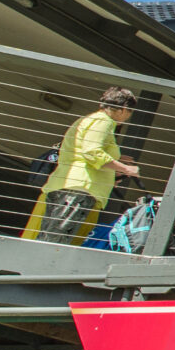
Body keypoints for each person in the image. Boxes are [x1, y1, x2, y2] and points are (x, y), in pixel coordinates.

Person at [31, 87, 141, 245]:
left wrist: (117, 159)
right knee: (57, 241)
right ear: (124, 109)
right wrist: (126, 169)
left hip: (75, 189)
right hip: (79, 190)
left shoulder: (93, 119)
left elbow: (85, 149)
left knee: (56, 239)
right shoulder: (104, 121)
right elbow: (92, 152)